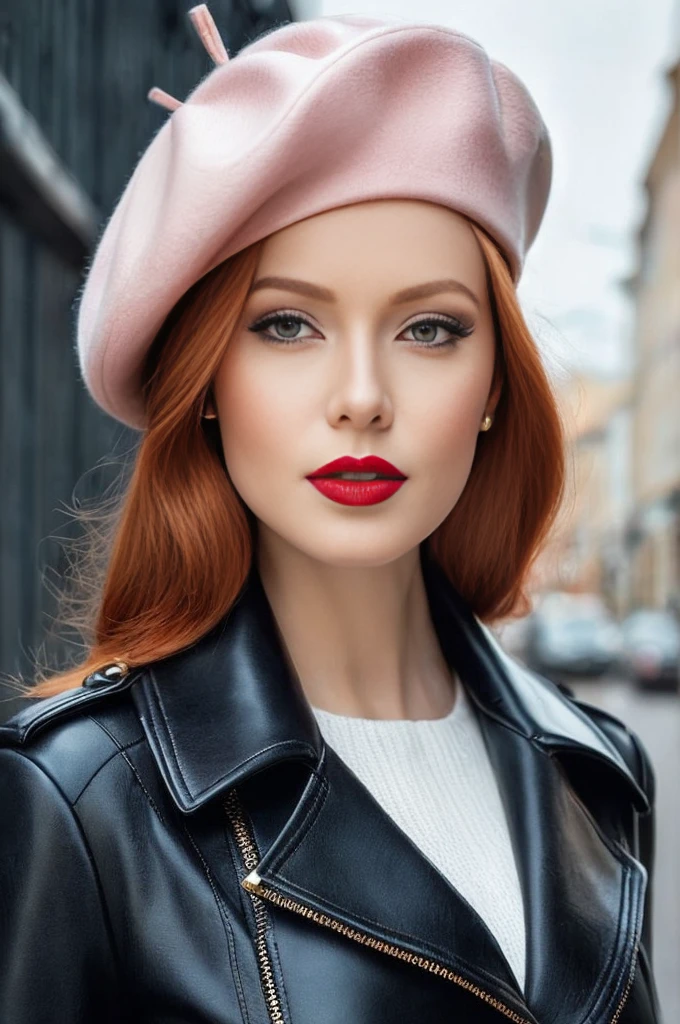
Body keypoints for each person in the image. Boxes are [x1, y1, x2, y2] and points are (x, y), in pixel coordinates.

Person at [0, 7, 662, 1023]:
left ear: (493, 385)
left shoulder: (598, 769)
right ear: (208, 377)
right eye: (287, 324)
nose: (361, 395)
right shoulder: (80, 802)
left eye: (429, 327)